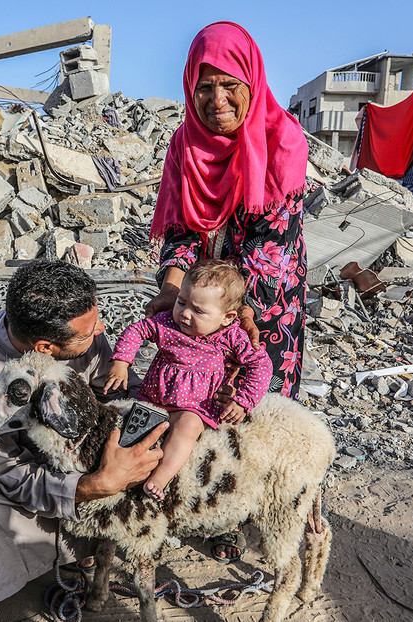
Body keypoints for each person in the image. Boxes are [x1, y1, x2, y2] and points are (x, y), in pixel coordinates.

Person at [0, 260, 167, 622]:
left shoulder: (86, 337)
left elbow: (115, 393)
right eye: (87, 331)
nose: (101, 328)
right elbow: (1, 463)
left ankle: (83, 547)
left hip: (67, 452)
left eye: (95, 320)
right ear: (45, 347)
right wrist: (92, 486)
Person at [145, 21, 310, 563]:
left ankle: (278, 505)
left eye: (230, 86)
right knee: (195, 399)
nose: (217, 101)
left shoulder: (281, 140)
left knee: (251, 402)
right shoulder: (184, 146)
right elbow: (180, 232)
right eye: (204, 88)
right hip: (205, 300)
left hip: (263, 304)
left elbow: (271, 251)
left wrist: (232, 318)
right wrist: (173, 293)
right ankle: (215, 507)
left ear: (251, 83)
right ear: (190, 89)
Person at [105, 260, 272, 501]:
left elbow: (261, 364)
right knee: (133, 428)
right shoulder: (166, 322)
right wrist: (121, 361)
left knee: (186, 431)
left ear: (227, 317)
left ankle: (160, 479)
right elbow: (137, 330)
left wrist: (243, 400)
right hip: (153, 396)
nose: (184, 313)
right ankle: (125, 474)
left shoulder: (232, 336)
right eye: (181, 302)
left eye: (198, 310)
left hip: (195, 407)